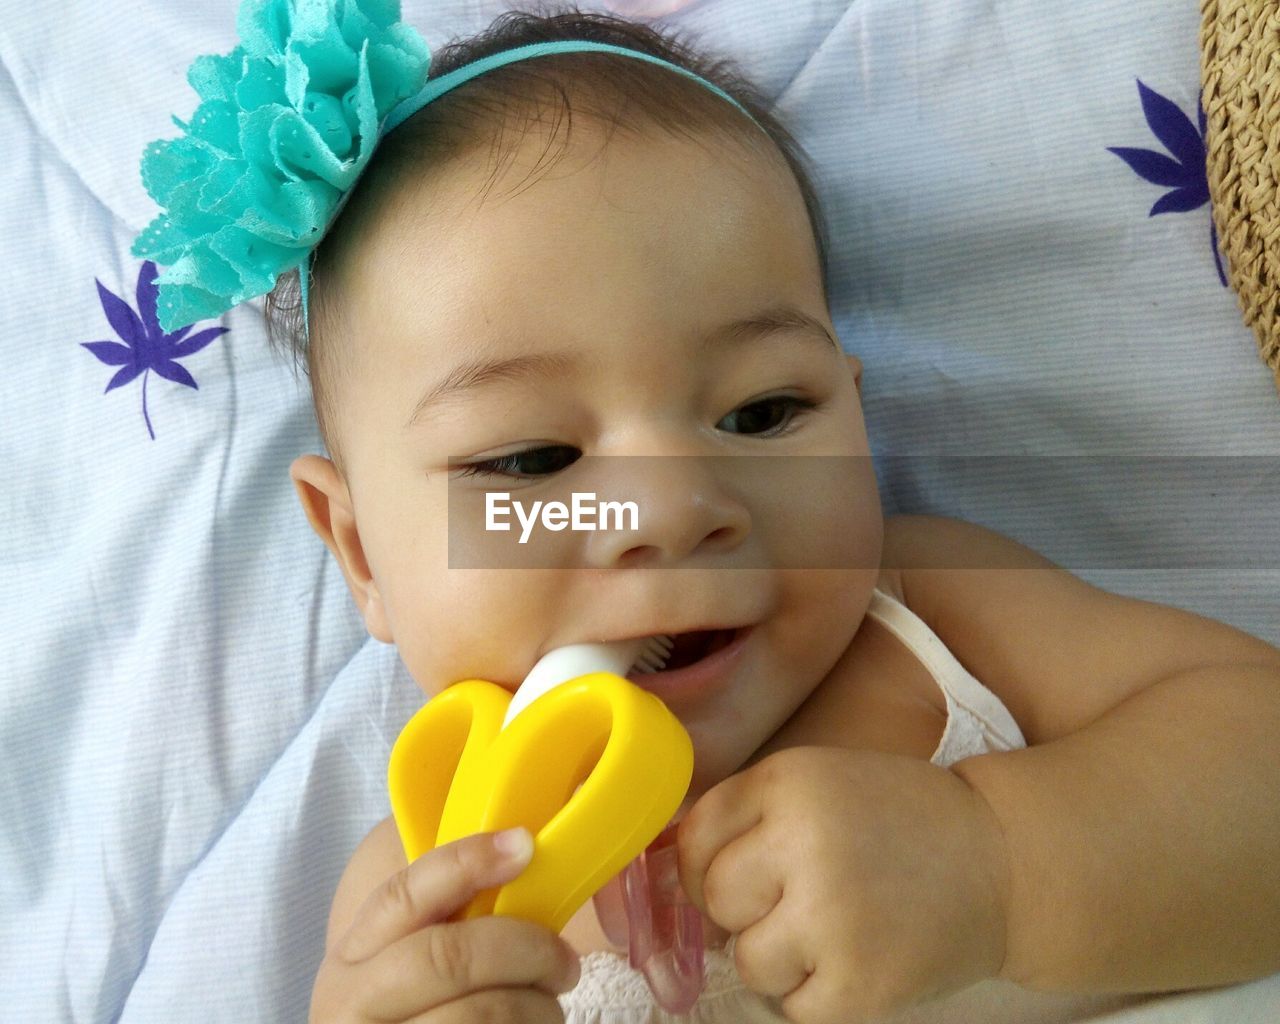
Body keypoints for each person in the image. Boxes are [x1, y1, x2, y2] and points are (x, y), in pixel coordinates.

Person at [132, 4, 1280, 1023]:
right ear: (361, 552)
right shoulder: (435, 875)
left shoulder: (933, 616)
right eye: (532, 457)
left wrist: (1000, 864)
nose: (671, 511)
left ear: (855, 416)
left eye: (763, 411)